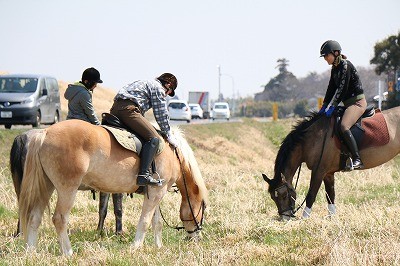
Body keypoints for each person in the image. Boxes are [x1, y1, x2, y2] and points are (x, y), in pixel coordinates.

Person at [110, 73, 179, 186]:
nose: (166, 95)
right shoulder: (158, 88)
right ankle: (143, 175)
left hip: (115, 109)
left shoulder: (144, 82)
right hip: (128, 110)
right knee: (154, 139)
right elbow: (161, 114)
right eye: (168, 92)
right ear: (167, 84)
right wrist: (167, 133)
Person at [318, 40, 366, 170]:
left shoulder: (345, 66)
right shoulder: (335, 68)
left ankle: (357, 159)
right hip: (347, 105)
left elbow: (342, 89)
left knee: (344, 126)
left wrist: (333, 105)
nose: (325, 59)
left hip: (357, 103)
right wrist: (324, 105)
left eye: (326, 55)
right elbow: (331, 88)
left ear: (336, 53)